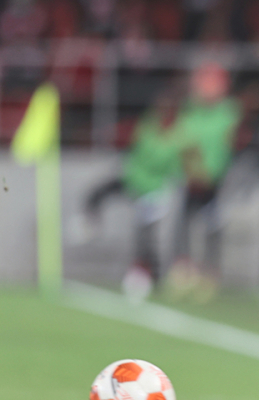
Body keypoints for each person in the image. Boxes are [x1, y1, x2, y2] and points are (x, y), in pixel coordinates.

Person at [81, 87, 184, 297]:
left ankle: (151, 276)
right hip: (133, 180)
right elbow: (133, 147)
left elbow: (173, 167)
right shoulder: (147, 126)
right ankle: (90, 223)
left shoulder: (178, 137)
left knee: (145, 237)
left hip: (152, 191)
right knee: (97, 193)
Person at [168, 63, 241, 300]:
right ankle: (183, 269)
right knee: (184, 224)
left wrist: (212, 173)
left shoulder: (229, 112)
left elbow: (227, 147)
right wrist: (192, 171)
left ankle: (210, 274)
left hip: (216, 181)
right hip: (192, 179)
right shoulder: (189, 111)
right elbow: (183, 142)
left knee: (213, 228)